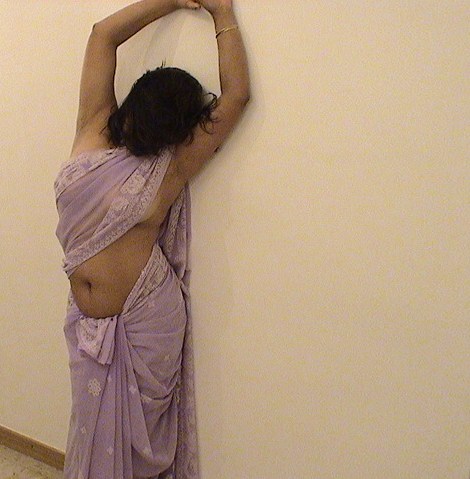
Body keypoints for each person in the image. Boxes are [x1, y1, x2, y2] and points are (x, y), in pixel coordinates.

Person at [53, 0, 250, 478]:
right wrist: (175, 0)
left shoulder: (171, 163)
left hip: (146, 322)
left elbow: (237, 96)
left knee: (139, 451)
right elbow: (103, 34)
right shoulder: (95, 123)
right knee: (92, 432)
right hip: (88, 325)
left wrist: (223, 14)